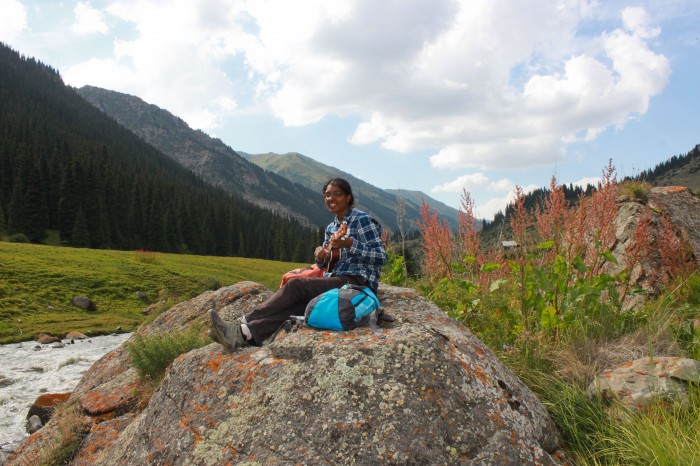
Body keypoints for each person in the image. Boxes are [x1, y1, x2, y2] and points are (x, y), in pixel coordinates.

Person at [208, 178, 388, 352]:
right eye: (327, 195)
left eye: (337, 194)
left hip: (358, 283)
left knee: (295, 285)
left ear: (348, 197)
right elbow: (327, 264)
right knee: (299, 307)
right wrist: (321, 257)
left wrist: (350, 244)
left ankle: (241, 321)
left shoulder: (361, 220)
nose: (331, 198)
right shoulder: (331, 227)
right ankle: (240, 335)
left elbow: (381, 257)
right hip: (336, 281)